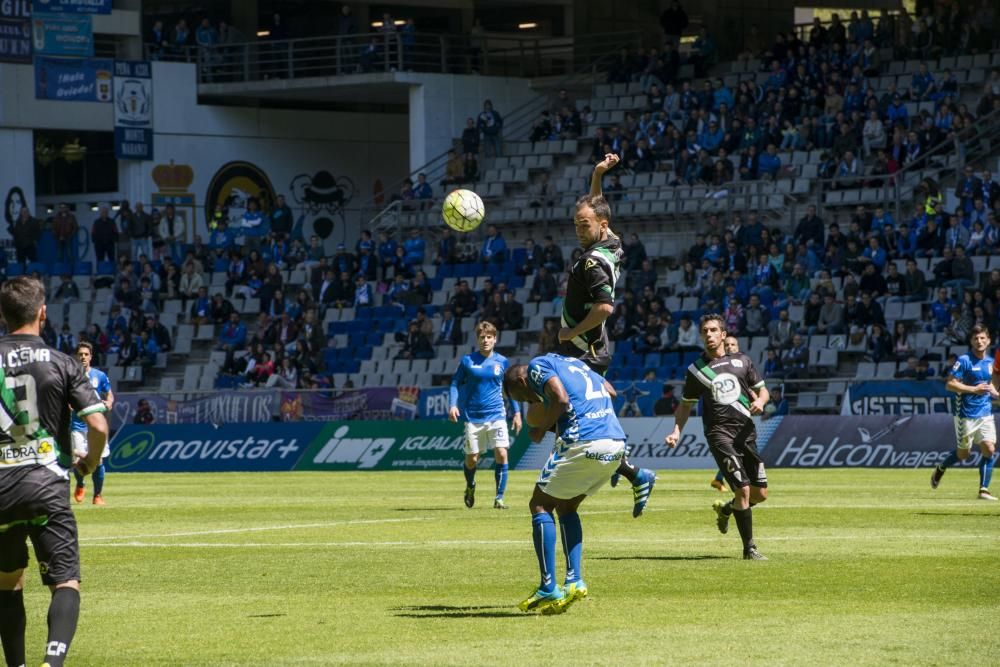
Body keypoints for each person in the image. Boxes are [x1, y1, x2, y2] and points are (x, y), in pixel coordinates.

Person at [0, 276, 110, 667]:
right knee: (65, 580)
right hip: (46, 485)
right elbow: (98, 425)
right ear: (42, 313)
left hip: (0, 492)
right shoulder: (63, 363)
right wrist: (89, 464)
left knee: (8, 581)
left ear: (3, 314)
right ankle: (53, 661)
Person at [560, 154, 656, 516]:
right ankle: (628, 469)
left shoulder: (593, 262)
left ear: (600, 226)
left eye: (583, 225)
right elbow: (596, 208)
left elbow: (604, 309)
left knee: (576, 419)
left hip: (586, 345)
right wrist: (598, 174)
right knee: (580, 418)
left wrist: (571, 332)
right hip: (589, 346)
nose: (578, 229)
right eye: (575, 224)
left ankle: (630, 471)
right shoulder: (611, 243)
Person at [504, 353, 626, 614]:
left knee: (539, 504)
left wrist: (540, 429)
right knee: (567, 507)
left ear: (523, 382)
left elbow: (560, 399)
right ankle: (574, 580)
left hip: (583, 441)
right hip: (615, 443)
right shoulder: (574, 364)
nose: (530, 401)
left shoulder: (537, 366)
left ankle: (548, 586)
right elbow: (612, 393)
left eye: (524, 398)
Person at [665, 314, 771, 560]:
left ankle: (727, 510)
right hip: (719, 433)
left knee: (760, 494)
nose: (709, 335)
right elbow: (686, 404)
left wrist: (761, 401)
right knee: (743, 489)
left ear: (724, 335)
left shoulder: (743, 361)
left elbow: (762, 391)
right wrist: (676, 430)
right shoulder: (697, 370)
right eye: (705, 331)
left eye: (713, 330)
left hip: (745, 432)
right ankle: (750, 549)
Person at [448, 322, 522, 510]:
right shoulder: (467, 361)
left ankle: (499, 498)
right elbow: (455, 383)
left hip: (497, 414)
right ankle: (471, 485)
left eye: (489, 337)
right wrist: (452, 405)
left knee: (502, 453)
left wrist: (517, 412)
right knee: (472, 459)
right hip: (473, 417)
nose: (486, 340)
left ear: (495, 339)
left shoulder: (502, 362)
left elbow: (509, 389)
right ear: (478, 339)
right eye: (482, 337)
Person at [932, 325, 998, 500]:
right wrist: (973, 390)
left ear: (989, 341)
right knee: (964, 454)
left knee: (989, 449)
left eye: (983, 338)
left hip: (985, 413)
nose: (979, 341)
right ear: (971, 342)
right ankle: (941, 468)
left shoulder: (991, 363)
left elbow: (991, 386)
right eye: (976, 338)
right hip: (965, 415)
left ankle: (983, 489)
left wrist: (996, 393)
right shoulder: (964, 360)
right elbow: (950, 384)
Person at [70, 342, 114, 505]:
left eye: (86, 354)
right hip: (78, 426)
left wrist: (109, 403)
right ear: (76, 356)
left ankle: (97, 495)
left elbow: (109, 394)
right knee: (79, 460)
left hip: (96, 426)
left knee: (99, 460)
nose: (83, 357)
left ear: (91, 356)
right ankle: (80, 484)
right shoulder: (71, 376)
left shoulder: (99, 376)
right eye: (80, 354)